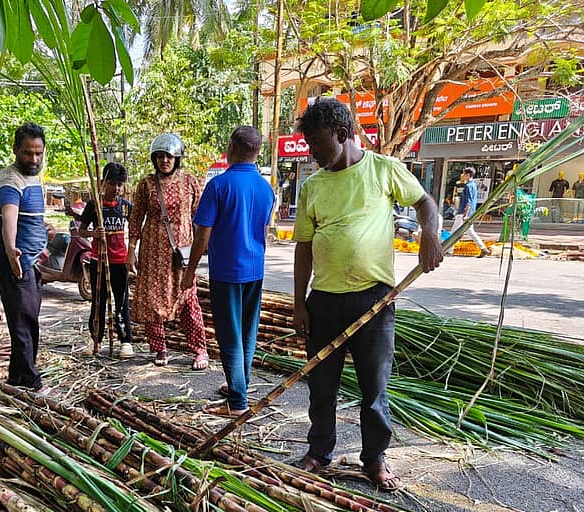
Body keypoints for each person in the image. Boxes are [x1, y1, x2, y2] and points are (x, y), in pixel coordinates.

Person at [291, 97, 443, 491]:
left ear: (342, 135)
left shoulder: (383, 169)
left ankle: (374, 458)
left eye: (318, 142)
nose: (313, 151)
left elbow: (425, 203)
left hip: (373, 299)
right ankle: (319, 451)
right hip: (323, 299)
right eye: (309, 143)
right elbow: (303, 246)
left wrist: (430, 234)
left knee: (374, 389)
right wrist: (298, 304)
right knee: (322, 385)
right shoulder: (312, 186)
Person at [181, 126, 275, 417]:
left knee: (229, 335)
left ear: (231, 148)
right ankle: (240, 385)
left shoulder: (218, 186)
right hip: (255, 269)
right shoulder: (266, 188)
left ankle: (237, 403)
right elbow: (265, 230)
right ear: (257, 152)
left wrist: (190, 270)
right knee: (248, 331)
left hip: (226, 271)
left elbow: (202, 235)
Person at [127, 133, 208, 369]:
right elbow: (136, 219)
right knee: (152, 302)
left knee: (188, 300)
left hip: (180, 254)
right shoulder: (146, 185)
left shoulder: (190, 182)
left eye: (169, 156)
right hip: (152, 254)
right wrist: (131, 249)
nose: (164, 161)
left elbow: (200, 217)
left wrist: (202, 246)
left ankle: (199, 350)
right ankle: (159, 348)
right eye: (160, 156)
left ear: (177, 158)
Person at [0, 122, 49, 392]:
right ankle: (31, 381)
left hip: (31, 261)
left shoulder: (33, 178)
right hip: (16, 260)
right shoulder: (9, 179)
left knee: (28, 320)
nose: (34, 158)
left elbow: (30, 217)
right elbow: (10, 217)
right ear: (16, 150)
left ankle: (17, 378)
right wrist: (11, 249)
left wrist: (44, 229)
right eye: (28, 153)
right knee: (23, 323)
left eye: (38, 152)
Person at [73, 162, 134, 358]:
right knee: (98, 302)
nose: (116, 188)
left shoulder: (125, 207)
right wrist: (93, 233)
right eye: (112, 183)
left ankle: (125, 341)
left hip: (120, 261)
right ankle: (95, 339)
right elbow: (80, 230)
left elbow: (135, 230)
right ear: (103, 183)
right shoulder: (94, 205)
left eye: (119, 184)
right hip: (98, 261)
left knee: (122, 301)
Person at [454, 167, 490, 258]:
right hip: (468, 212)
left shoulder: (469, 186)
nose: (462, 175)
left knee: (454, 231)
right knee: (470, 232)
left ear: (468, 175)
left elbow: (469, 202)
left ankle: (448, 250)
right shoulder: (473, 185)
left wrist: (465, 214)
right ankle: (483, 248)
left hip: (463, 212)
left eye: (464, 174)